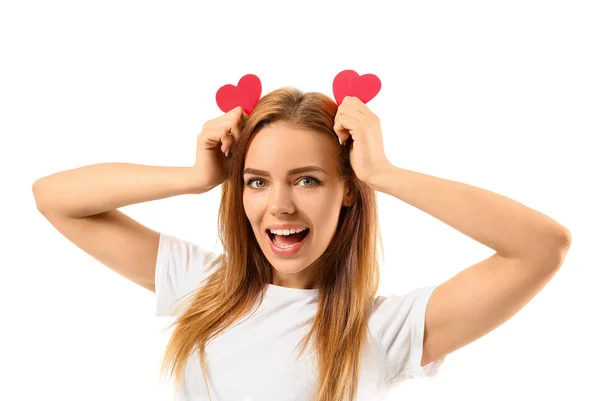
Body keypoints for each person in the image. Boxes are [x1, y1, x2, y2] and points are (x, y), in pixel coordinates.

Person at [33, 87, 571, 401]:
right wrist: (195, 177)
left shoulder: (384, 329)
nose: (280, 205)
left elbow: (542, 245)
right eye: (258, 180)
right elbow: (54, 197)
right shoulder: (203, 288)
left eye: (308, 179)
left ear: (349, 194)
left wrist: (383, 171)